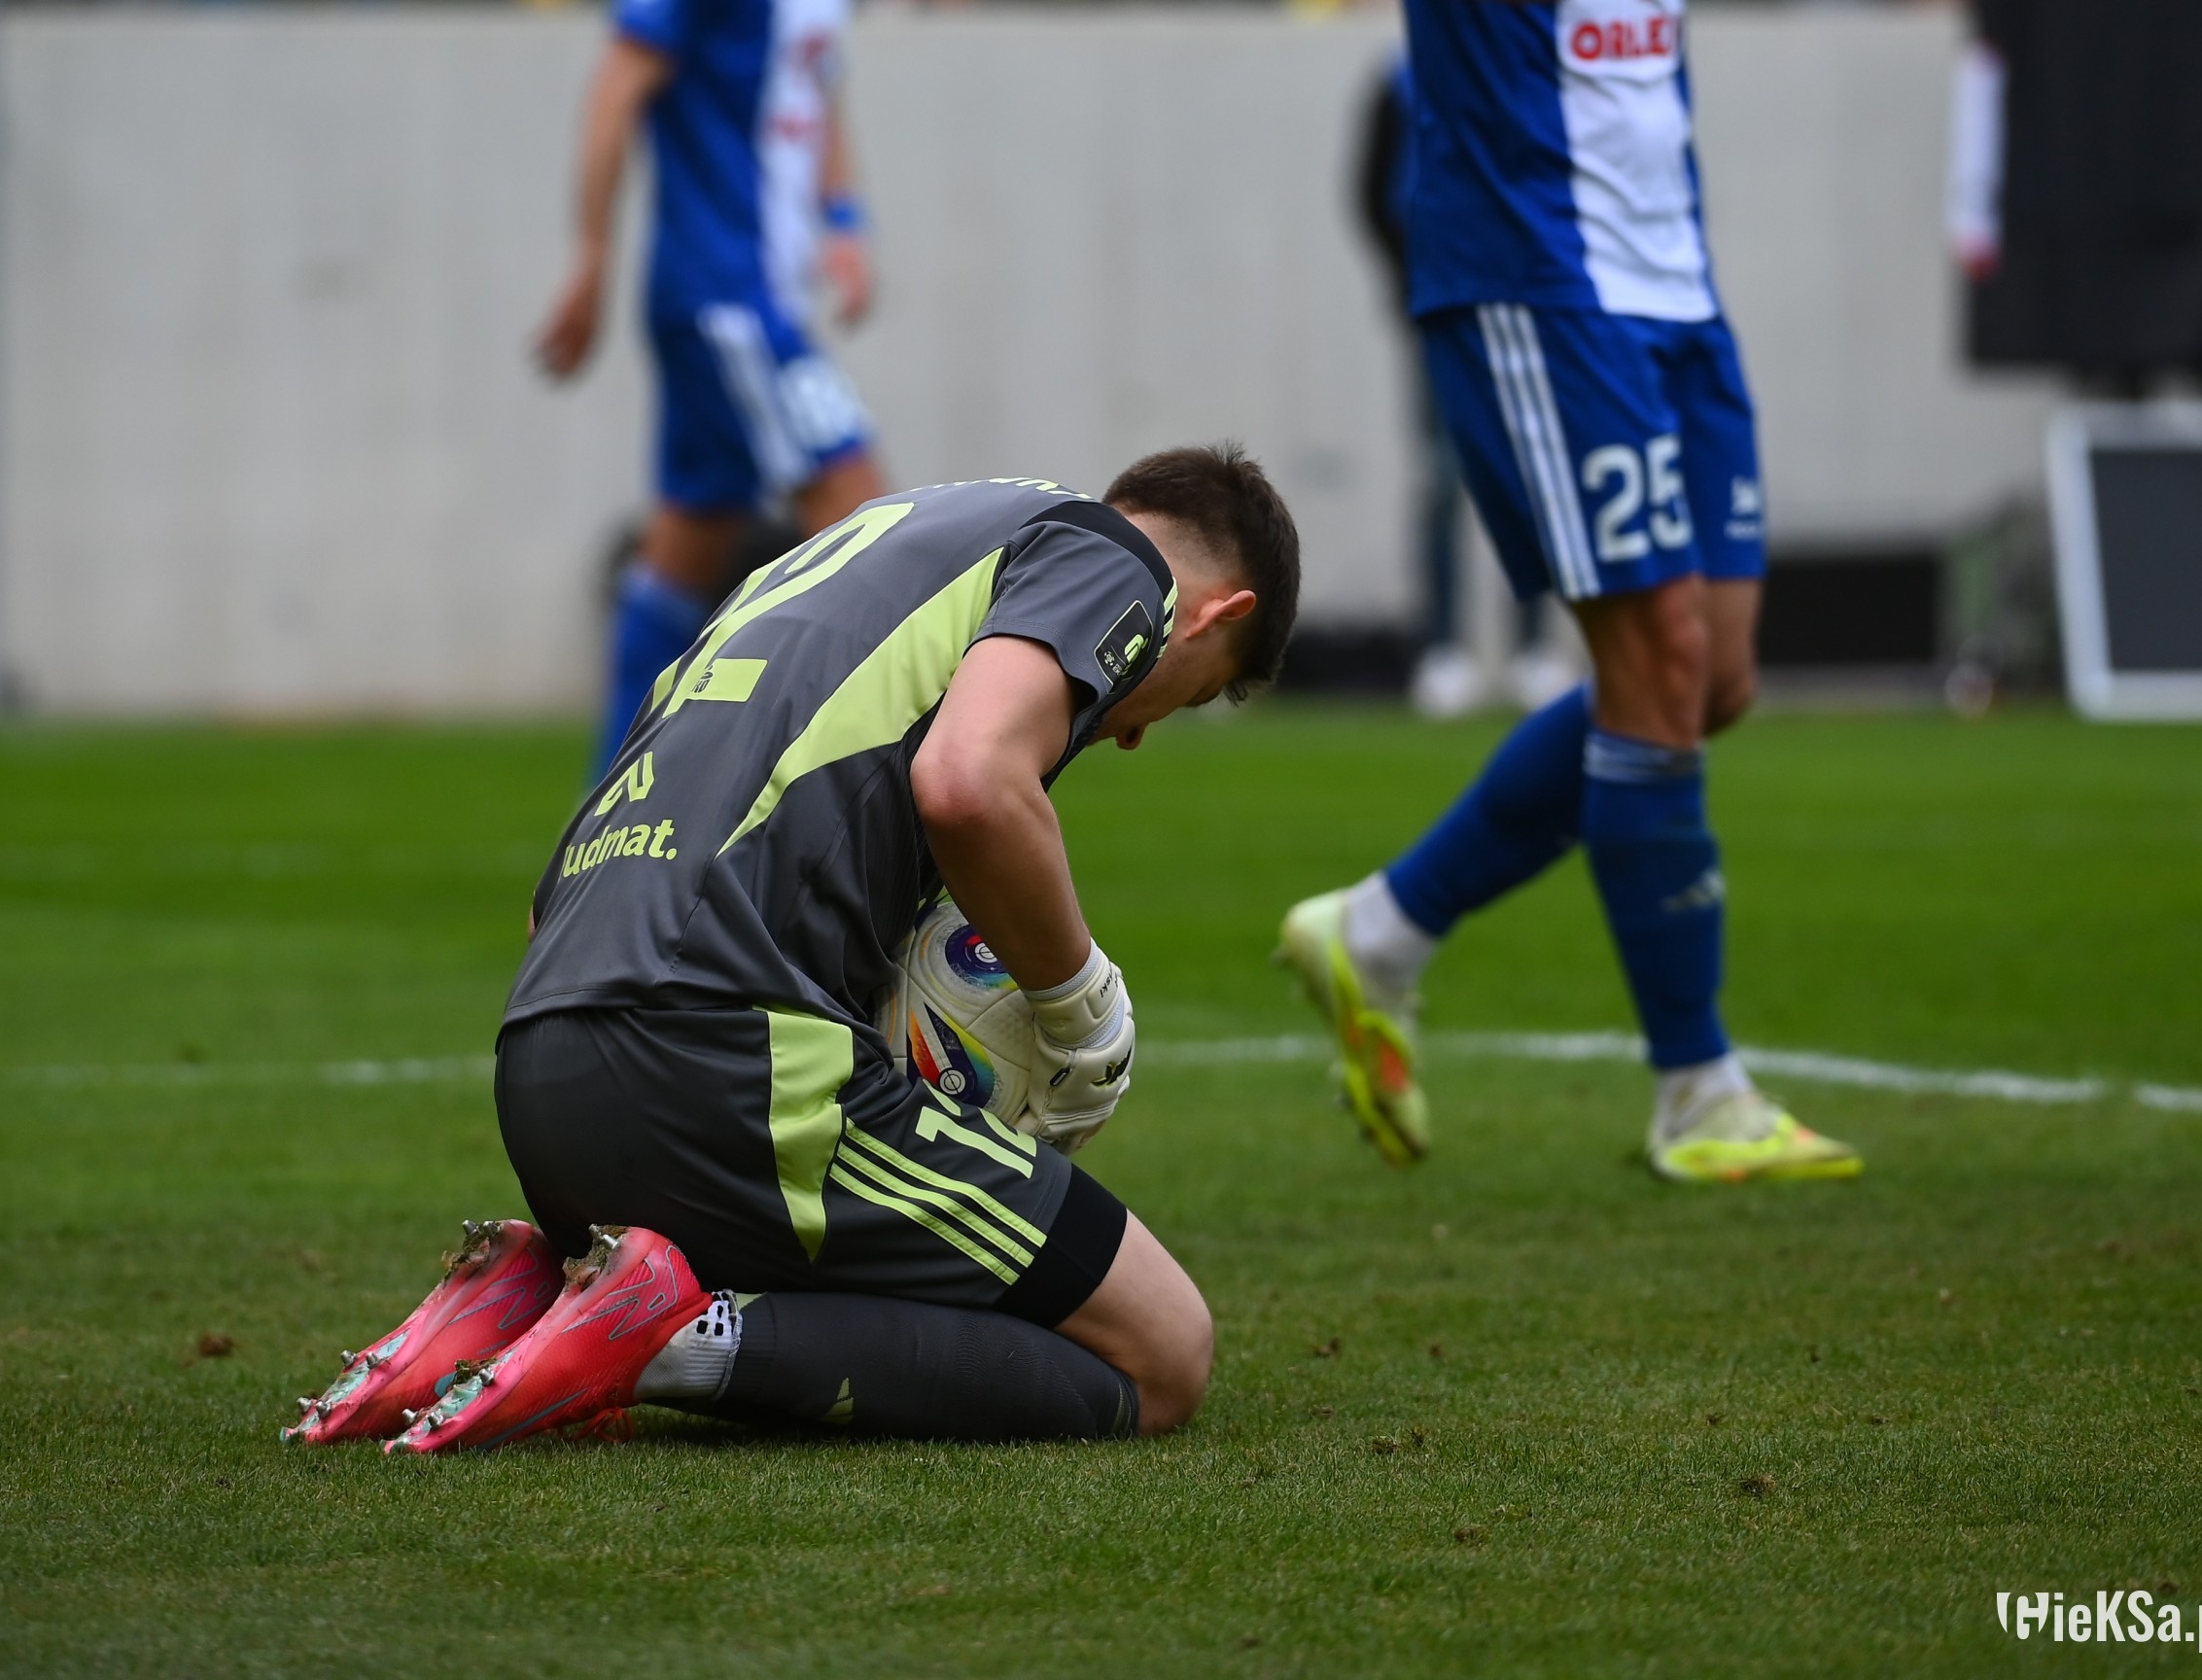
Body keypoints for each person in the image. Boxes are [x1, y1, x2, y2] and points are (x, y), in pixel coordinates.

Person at [286, 449, 1301, 1451]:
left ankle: (532, 1299)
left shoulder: (846, 555)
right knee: (1164, 1353)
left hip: (544, 1083)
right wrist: (1083, 1011)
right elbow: (970, 781)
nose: (1134, 733)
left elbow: (547, 911)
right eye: (1191, 696)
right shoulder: (1113, 560)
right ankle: (667, 1341)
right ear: (1218, 616)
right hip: (721, 1075)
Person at [1277, 0, 1861, 1184]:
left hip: (1677, 286)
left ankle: (1379, 931)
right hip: (1541, 279)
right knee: (1658, 656)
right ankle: (1698, 1089)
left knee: (1713, 680)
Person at [536, 0, 887, 785]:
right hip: (725, 298)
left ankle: (606, 817)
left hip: (754, 301)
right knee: (878, 538)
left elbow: (815, 84)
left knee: (685, 550)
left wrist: (844, 221)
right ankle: (890, 811)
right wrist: (591, 259)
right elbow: (620, 80)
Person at [1356, 55, 1575, 718]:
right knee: (1443, 478)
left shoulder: (1527, 74)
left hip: (1523, 311)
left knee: (1530, 475)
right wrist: (1414, 284)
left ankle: (1534, 649)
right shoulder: (1401, 80)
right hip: (1442, 313)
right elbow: (1371, 194)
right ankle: (1445, 649)